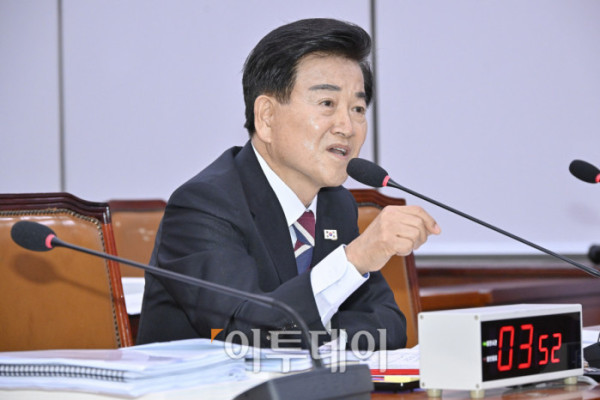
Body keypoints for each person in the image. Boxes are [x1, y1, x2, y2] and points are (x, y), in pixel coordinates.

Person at [137, 18, 440, 351]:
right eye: (327, 104)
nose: (347, 127)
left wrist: (314, 335)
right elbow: (242, 334)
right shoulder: (204, 205)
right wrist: (353, 260)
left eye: (357, 108)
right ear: (267, 117)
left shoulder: (336, 204)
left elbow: (389, 326)